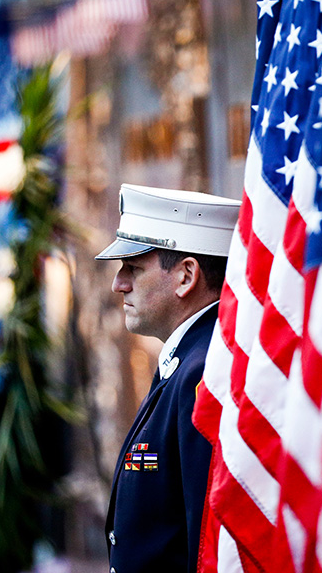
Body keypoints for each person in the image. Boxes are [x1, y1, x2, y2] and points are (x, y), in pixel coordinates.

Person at [95, 183, 239, 573]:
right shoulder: (188, 359)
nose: (118, 283)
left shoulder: (202, 371)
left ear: (186, 276)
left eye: (134, 268)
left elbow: (206, 545)